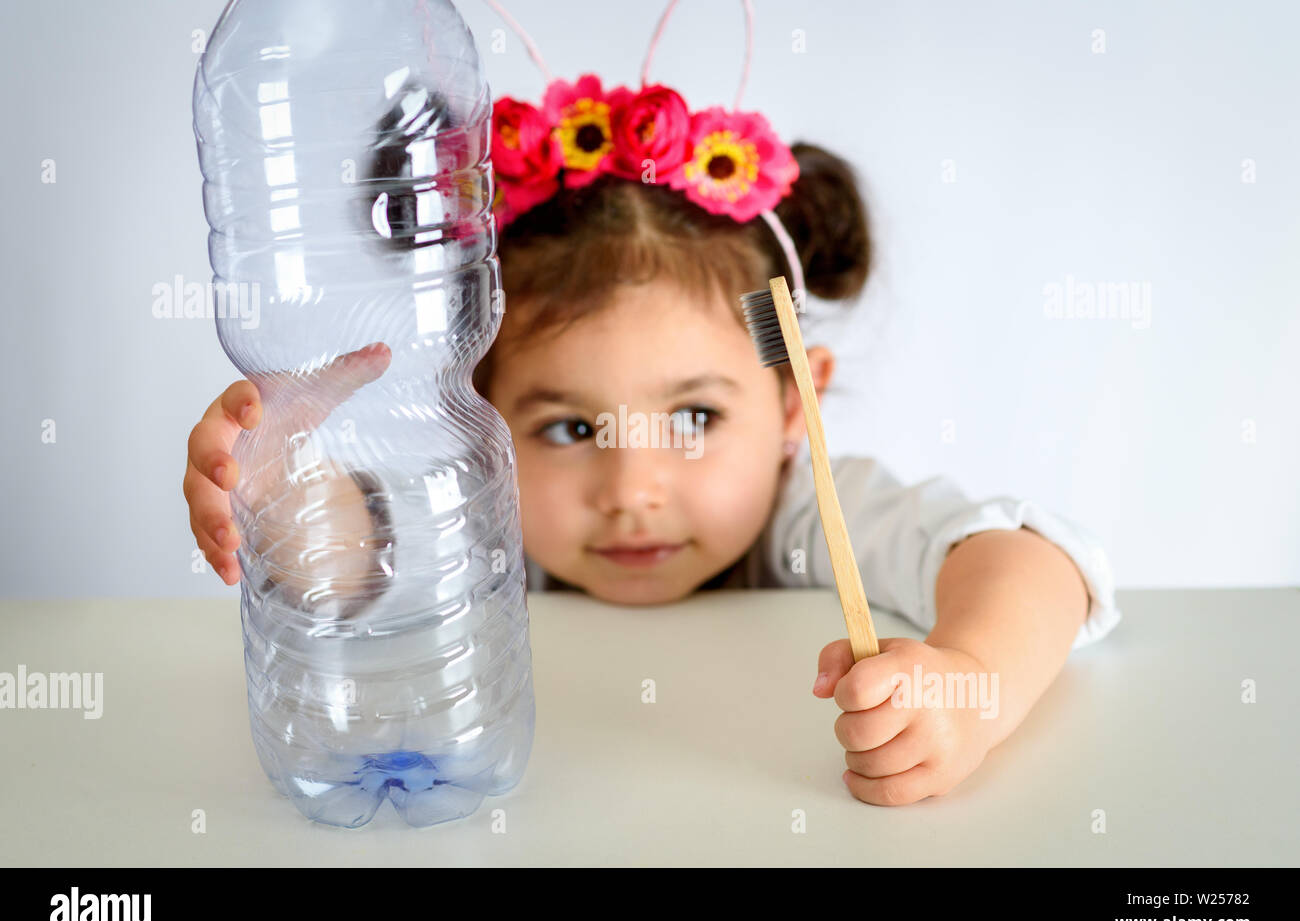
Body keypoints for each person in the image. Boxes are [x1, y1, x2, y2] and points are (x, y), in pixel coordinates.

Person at [183, 10, 1120, 807]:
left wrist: (970, 684)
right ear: (481, 408)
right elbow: (340, 573)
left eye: (696, 420)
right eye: (569, 428)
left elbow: (1044, 563)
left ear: (798, 402)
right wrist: (280, 481)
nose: (634, 488)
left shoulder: (814, 514)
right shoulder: (482, 526)